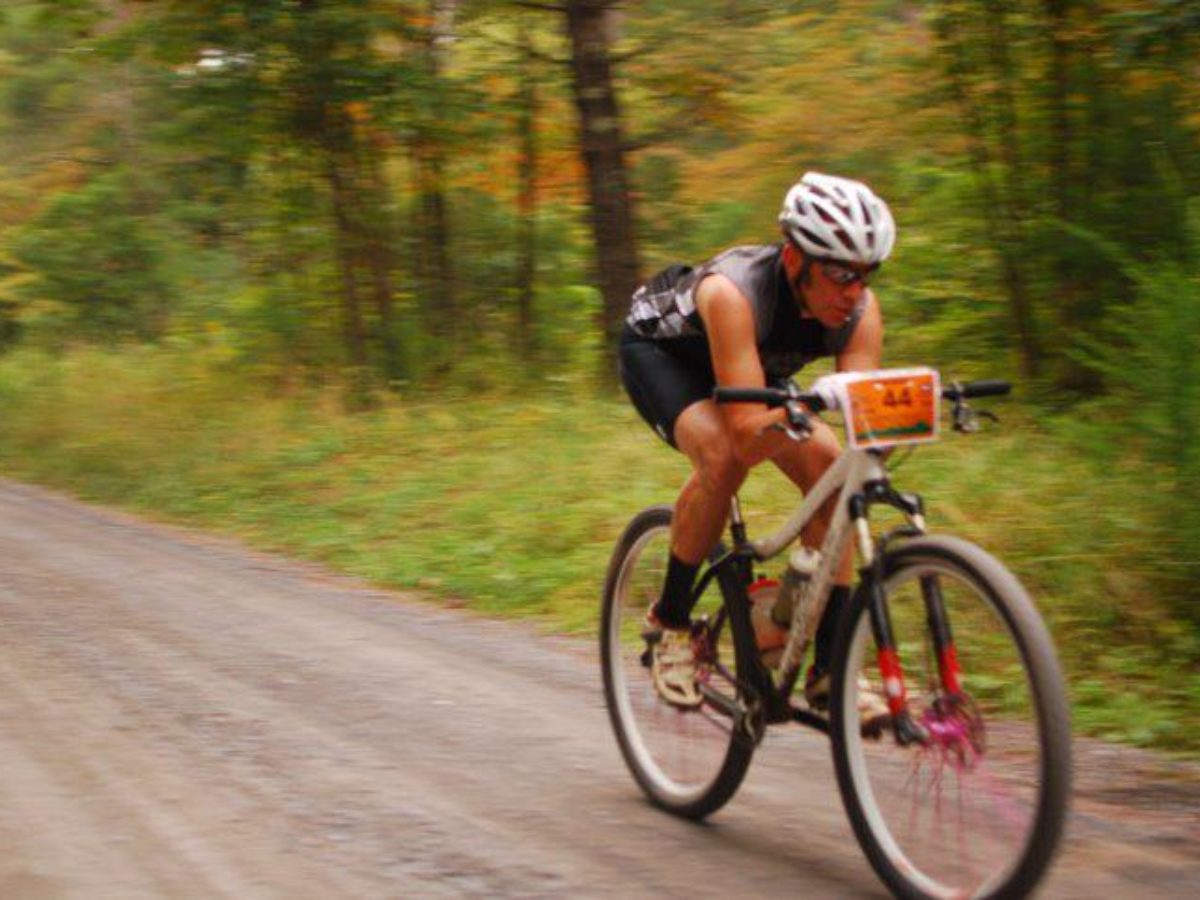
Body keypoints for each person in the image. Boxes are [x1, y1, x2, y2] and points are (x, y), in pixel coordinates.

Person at [618, 171, 894, 714]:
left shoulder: (860, 311)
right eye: (840, 274)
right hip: (667, 357)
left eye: (866, 274)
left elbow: (868, 429)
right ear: (795, 259)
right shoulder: (734, 292)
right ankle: (671, 624)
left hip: (751, 367)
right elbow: (746, 436)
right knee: (723, 459)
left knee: (835, 467)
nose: (854, 292)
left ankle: (828, 666)